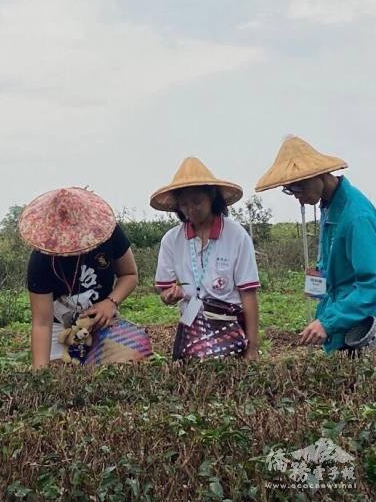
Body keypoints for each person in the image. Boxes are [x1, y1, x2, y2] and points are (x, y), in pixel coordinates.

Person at [256, 136, 376, 352]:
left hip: (360, 328)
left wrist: (328, 322)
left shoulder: (357, 217)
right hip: (341, 324)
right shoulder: (328, 206)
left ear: (318, 176)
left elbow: (371, 284)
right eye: (290, 191)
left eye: (298, 189)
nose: (297, 198)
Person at [151, 157, 260, 360]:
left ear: (211, 197)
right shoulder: (172, 240)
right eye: (184, 204)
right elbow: (164, 290)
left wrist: (253, 348)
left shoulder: (236, 236)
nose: (190, 209)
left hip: (230, 326)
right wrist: (169, 295)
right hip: (191, 329)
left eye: (196, 202)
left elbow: (248, 294)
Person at [20, 187, 139, 368]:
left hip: (101, 320)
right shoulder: (41, 259)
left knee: (129, 362)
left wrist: (111, 302)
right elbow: (42, 323)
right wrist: (40, 375)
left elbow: (129, 275)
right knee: (60, 372)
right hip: (60, 326)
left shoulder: (109, 234)